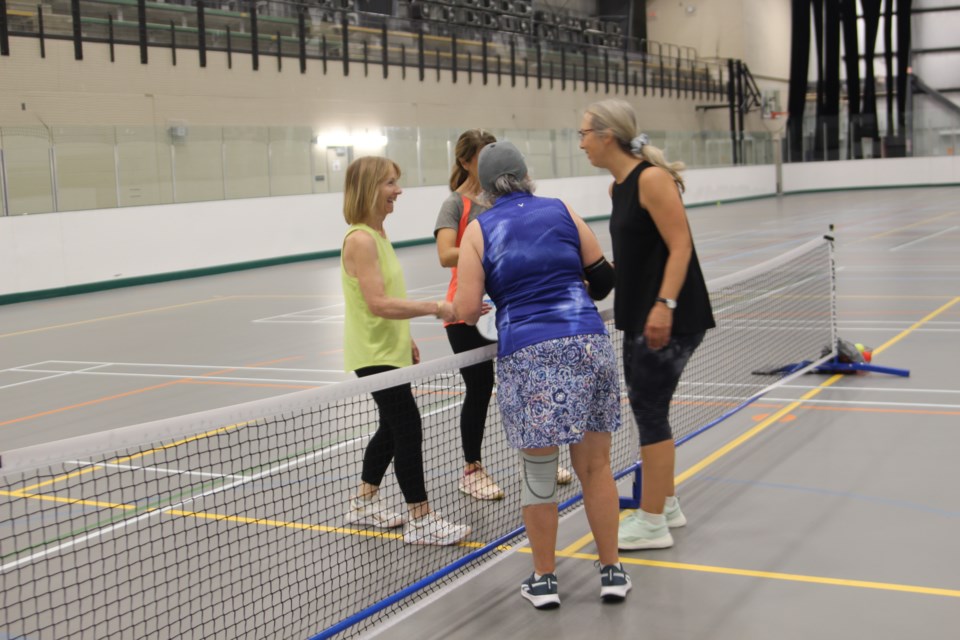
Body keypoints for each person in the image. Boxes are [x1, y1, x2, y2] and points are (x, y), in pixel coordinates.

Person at [452, 141, 630, 609]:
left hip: (529, 356)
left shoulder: (477, 230)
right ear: (526, 175)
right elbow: (605, 278)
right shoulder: (562, 210)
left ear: (486, 186)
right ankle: (612, 571)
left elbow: (467, 311)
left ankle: (545, 579)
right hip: (587, 343)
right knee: (595, 468)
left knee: (539, 475)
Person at [578, 99, 715, 551]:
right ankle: (666, 503)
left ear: (606, 137)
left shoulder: (652, 180)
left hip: (671, 315)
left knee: (650, 411)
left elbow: (681, 247)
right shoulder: (620, 188)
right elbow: (639, 253)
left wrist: (665, 304)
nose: (581, 144)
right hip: (639, 314)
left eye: (584, 135)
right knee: (648, 409)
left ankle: (652, 520)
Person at [340, 155, 472, 547]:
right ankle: (421, 518)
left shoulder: (378, 235)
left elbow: (385, 300)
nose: (398, 190)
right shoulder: (361, 239)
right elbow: (377, 303)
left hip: (388, 347)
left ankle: (363, 503)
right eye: (390, 183)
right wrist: (435, 307)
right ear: (369, 188)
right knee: (407, 428)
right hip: (372, 352)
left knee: (391, 427)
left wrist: (405, 337)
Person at [435, 130, 573, 501]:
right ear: (465, 162)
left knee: (528, 382)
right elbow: (445, 253)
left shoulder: (506, 199)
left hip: (510, 307)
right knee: (478, 390)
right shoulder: (455, 205)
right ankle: (472, 470)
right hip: (468, 312)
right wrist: (483, 244)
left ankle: (537, 457)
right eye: (482, 158)